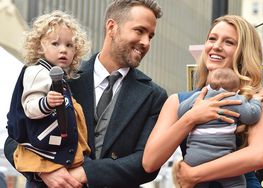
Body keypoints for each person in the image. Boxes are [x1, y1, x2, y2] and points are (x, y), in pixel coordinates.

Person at [4, 0, 167, 188]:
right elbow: (14, 138)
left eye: (151, 36)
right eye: (139, 31)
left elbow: (146, 162)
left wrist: (87, 173)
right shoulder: (56, 76)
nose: (146, 42)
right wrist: (44, 170)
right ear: (112, 27)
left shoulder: (154, 96)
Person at [143, 15, 263, 188]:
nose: (216, 46)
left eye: (229, 42)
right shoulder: (177, 101)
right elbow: (150, 161)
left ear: (243, 52)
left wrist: (194, 174)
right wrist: (192, 118)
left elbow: (260, 155)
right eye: (212, 39)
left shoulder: (256, 97)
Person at [5, 10, 91, 187]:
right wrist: (46, 103)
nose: (63, 50)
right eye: (55, 43)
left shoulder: (57, 75)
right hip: (44, 150)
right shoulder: (37, 72)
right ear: (39, 47)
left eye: (69, 45)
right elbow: (29, 106)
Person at [172, 67, 263, 188]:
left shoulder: (199, 97)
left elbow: (180, 111)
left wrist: (193, 110)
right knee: (237, 183)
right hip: (222, 160)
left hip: (194, 160)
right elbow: (251, 116)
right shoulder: (235, 99)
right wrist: (256, 102)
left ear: (208, 85)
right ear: (236, 90)